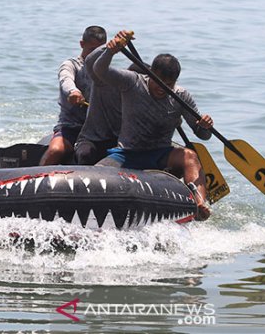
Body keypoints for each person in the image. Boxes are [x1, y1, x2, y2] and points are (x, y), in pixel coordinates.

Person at [93, 30, 213, 221]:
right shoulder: (132, 82)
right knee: (94, 177)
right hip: (127, 153)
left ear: (175, 82)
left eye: (168, 84)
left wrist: (205, 126)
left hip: (161, 154)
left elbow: (202, 134)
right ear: (151, 73)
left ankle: (198, 204)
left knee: (190, 156)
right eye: (158, 81)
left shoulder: (181, 96)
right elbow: (99, 71)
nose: (162, 88)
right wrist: (110, 51)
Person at [39, 26, 107, 166]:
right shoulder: (71, 65)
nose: (95, 55)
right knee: (56, 151)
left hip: (97, 129)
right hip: (71, 126)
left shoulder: (105, 71)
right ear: (82, 44)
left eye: (100, 51)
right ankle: (35, 179)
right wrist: (73, 92)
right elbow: (66, 79)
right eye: (91, 50)